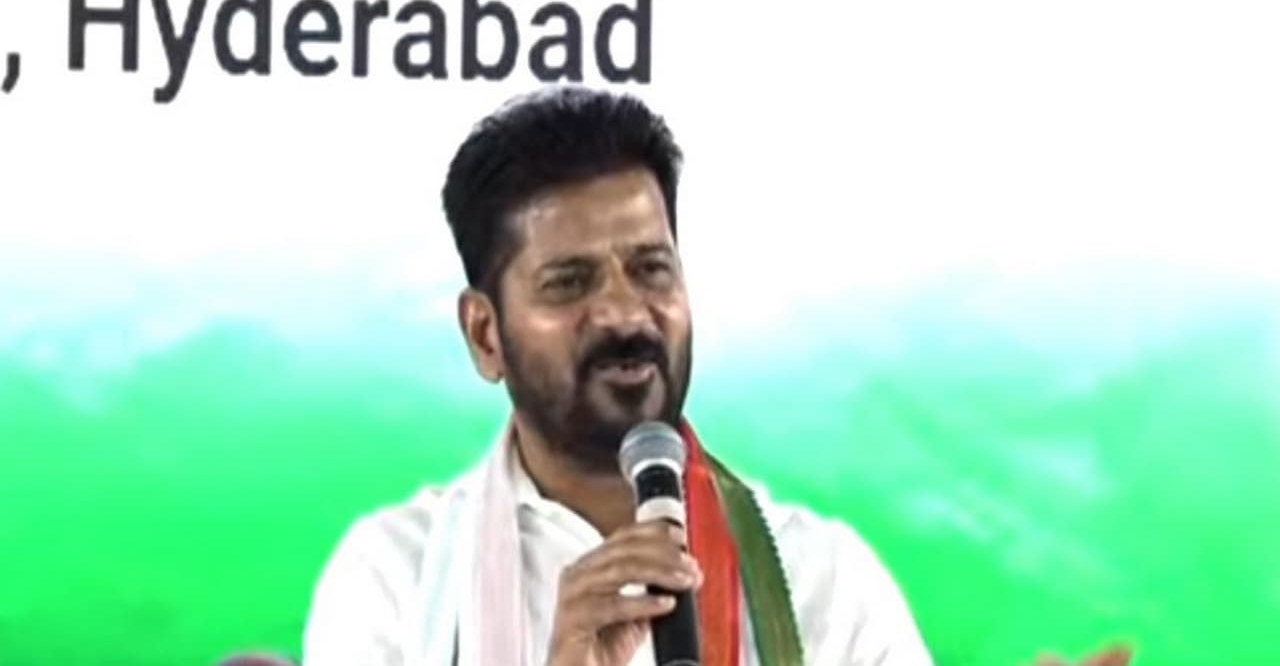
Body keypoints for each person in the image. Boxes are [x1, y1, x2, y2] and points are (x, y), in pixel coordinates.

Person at [298, 87, 1124, 666]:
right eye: (570, 282)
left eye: (650, 269)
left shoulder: (820, 578)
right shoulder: (394, 579)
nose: (624, 313)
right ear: (486, 334)